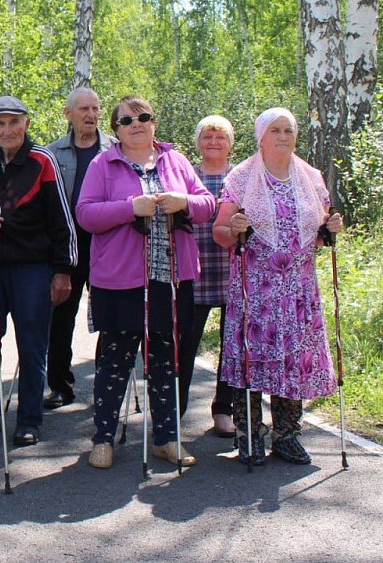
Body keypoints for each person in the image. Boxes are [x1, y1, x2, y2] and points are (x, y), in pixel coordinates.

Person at [76, 96, 215, 469]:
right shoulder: (103, 164)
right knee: (114, 360)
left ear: (154, 122)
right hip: (120, 280)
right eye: (126, 120)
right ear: (116, 129)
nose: (136, 123)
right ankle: (103, 439)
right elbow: (86, 214)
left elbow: (208, 205)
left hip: (169, 279)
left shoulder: (176, 161)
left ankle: (167, 439)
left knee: (166, 359)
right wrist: (129, 208)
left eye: (143, 117)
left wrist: (182, 201)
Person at [213, 107, 342, 465]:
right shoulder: (241, 178)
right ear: (261, 137)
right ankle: (249, 435)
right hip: (256, 289)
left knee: (294, 361)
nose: (284, 136)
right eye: (276, 130)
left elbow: (321, 226)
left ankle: (287, 434)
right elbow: (220, 232)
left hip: (299, 289)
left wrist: (330, 229)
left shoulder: (311, 178)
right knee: (253, 360)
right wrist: (234, 229)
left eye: (289, 129)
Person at [0, 96, 76, 447]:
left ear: (26, 123)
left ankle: (29, 420)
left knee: (32, 342)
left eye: (14, 122)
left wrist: (62, 270)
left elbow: (62, 221)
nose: (7, 130)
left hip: (33, 266)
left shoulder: (43, 160)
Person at [46, 87, 117, 409]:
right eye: (84, 109)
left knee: (109, 316)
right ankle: (60, 384)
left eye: (96, 108)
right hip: (68, 247)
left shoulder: (115, 150)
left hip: (109, 245)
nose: (91, 115)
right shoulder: (53, 153)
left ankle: (107, 381)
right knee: (60, 316)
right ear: (68, 113)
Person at [178, 115, 236, 436]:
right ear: (198, 142)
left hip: (234, 273)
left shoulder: (241, 178)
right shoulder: (188, 177)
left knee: (231, 345)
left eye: (220, 137)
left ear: (231, 143)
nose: (213, 142)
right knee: (185, 344)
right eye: (207, 136)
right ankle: (175, 409)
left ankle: (223, 410)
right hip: (194, 272)